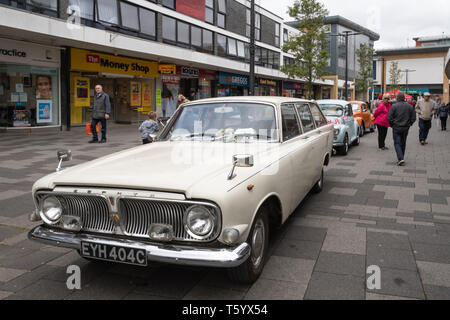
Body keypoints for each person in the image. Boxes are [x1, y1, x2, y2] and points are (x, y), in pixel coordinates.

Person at [388, 92, 416, 166]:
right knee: (403, 143)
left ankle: (400, 158)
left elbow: (389, 117)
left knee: (397, 143)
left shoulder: (394, 106)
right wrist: (410, 124)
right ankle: (401, 157)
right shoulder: (409, 106)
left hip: (396, 127)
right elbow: (414, 117)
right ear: (404, 98)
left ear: (397, 98)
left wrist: (392, 125)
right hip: (405, 127)